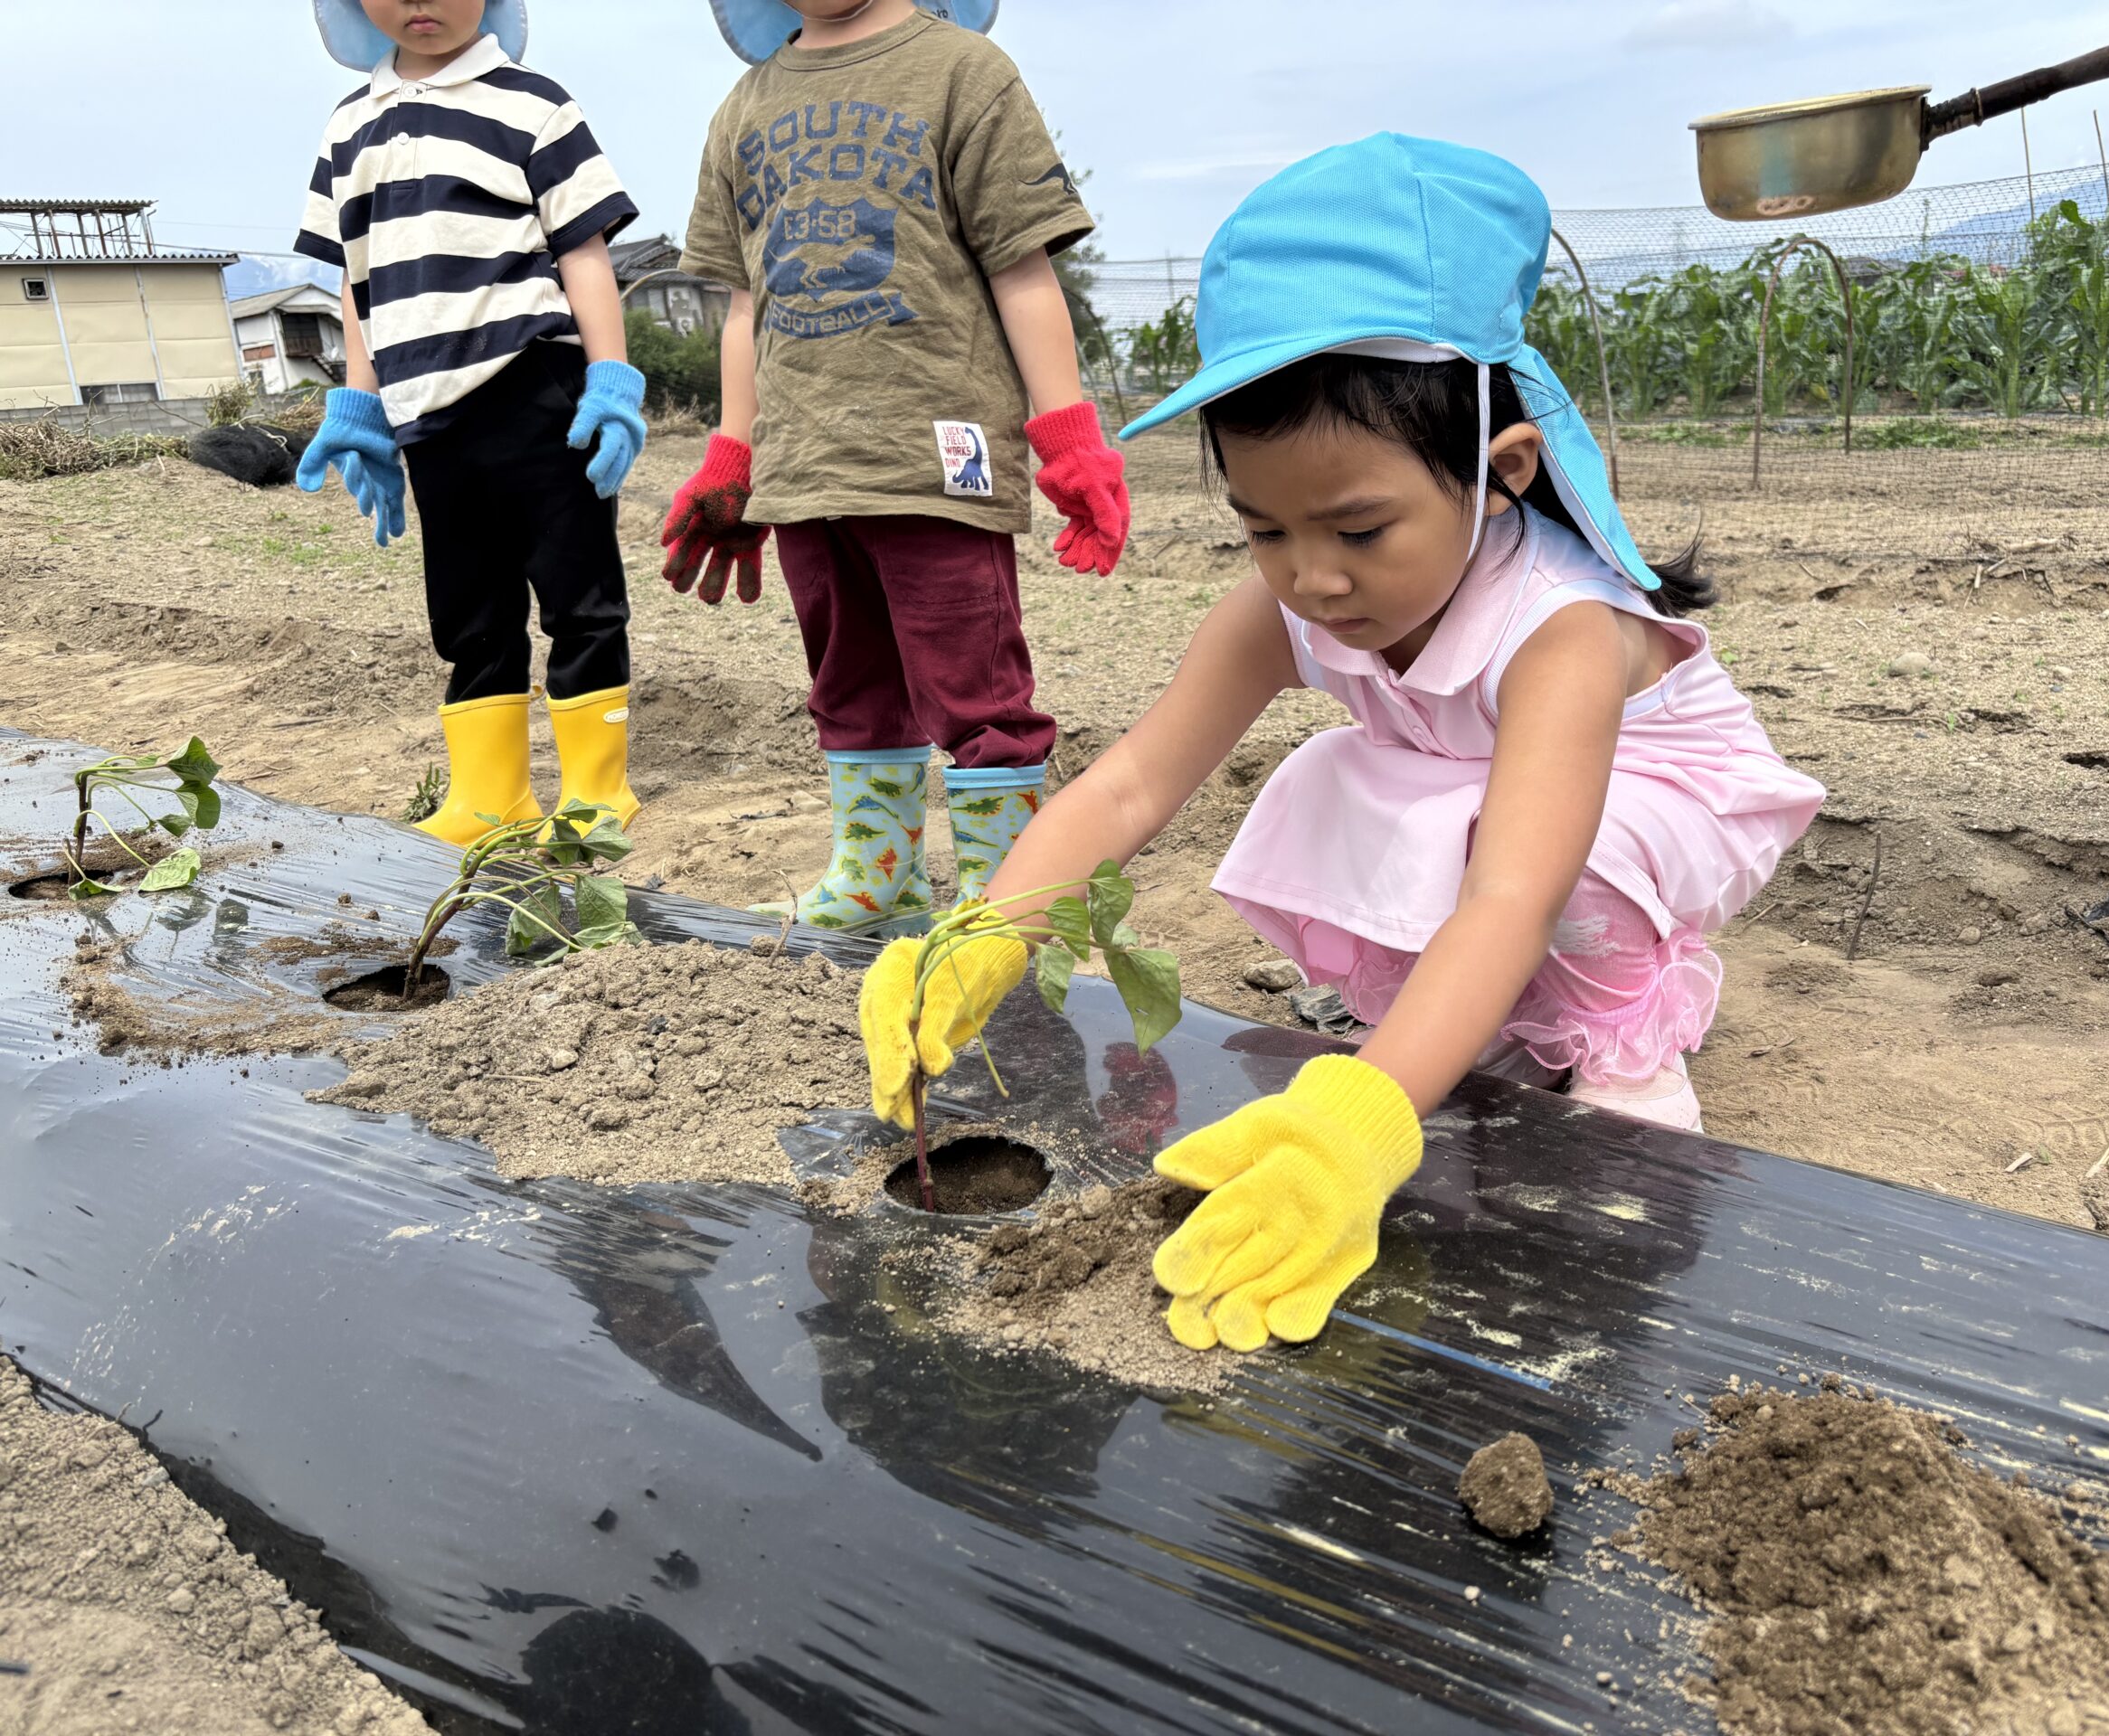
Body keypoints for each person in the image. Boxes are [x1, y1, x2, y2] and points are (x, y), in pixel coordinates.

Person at [858, 136, 1823, 1354]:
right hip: (1478, 793)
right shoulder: (1285, 609)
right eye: (1265, 529)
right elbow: (1133, 783)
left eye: (1360, 531)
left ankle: (1622, 1041)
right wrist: (988, 934)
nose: (1311, 578)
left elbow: (1514, 892)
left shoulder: (1562, 634)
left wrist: (1359, 1124)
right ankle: (1481, 1027)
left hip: (1655, 806)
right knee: (1329, 782)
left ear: (1501, 473)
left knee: (1548, 869)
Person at [667, 0, 1131, 934]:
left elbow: (1021, 269)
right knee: (846, 681)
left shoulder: (964, 72)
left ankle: (1004, 899)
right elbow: (745, 306)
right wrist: (733, 455)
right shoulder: (743, 108)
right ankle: (878, 876)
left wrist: (1069, 437)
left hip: (937, 457)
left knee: (973, 686)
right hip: (805, 465)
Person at [294, 0, 648, 844]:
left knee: (578, 592)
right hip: (427, 411)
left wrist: (609, 377)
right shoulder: (348, 127)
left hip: (534, 385)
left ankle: (597, 795)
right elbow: (355, 279)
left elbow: (583, 249)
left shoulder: (533, 102)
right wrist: (358, 404)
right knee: (467, 608)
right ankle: (490, 798)